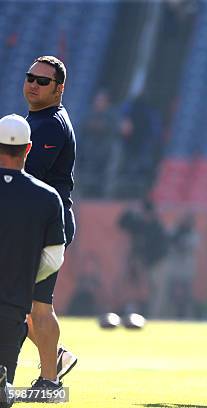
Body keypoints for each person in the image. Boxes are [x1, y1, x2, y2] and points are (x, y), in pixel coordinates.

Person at [0, 114, 66, 407]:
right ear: (28, 149)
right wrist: (22, 278)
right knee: (4, 389)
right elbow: (53, 259)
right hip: (12, 310)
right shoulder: (48, 198)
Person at [22, 56, 78, 389]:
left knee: (38, 305)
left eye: (43, 81)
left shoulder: (51, 124)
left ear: (59, 89)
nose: (33, 84)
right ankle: (55, 360)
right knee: (25, 304)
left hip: (46, 227)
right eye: (30, 77)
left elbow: (28, 176)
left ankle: (50, 380)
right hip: (33, 223)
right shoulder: (37, 120)